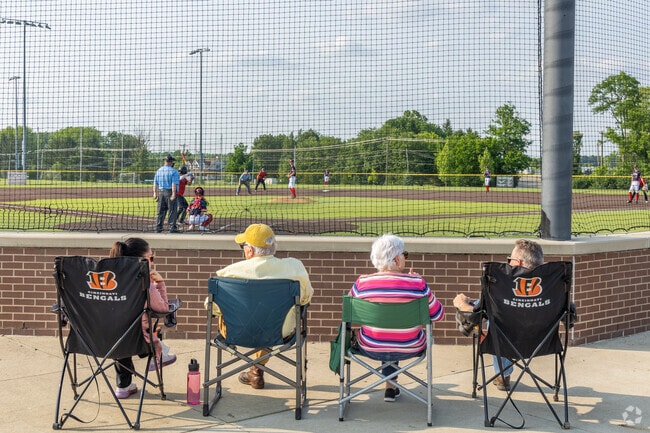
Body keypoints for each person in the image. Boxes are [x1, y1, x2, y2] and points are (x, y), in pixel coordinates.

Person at [208, 223, 313, 389]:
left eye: (243, 246)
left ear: (249, 250)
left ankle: (255, 370)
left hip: (235, 332)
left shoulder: (228, 273)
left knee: (251, 318)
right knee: (270, 317)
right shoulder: (294, 268)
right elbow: (306, 298)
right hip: (280, 332)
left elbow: (211, 307)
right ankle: (256, 370)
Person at [350, 234, 444, 402]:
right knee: (398, 332)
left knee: (385, 329)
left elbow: (349, 314)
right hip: (410, 346)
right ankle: (391, 385)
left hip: (370, 346)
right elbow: (438, 314)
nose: (405, 259)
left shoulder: (362, 283)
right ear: (397, 259)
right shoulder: (417, 283)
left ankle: (390, 386)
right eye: (404, 255)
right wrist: (415, 283)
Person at [453, 239, 544, 391]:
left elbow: (478, 314)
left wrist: (462, 304)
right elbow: (569, 316)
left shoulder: (503, 285)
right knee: (494, 313)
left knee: (491, 318)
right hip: (541, 342)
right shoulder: (554, 285)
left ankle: (503, 374)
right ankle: (474, 327)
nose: (508, 264)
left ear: (519, 263)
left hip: (507, 338)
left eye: (510, 260)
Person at [109, 237, 177, 398]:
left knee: (119, 330)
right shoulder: (144, 283)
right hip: (137, 341)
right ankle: (156, 353)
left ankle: (123, 386)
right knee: (134, 332)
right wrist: (160, 283)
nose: (152, 262)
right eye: (150, 258)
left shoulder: (102, 281)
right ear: (141, 261)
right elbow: (163, 308)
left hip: (95, 341)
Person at [153, 154, 181, 233]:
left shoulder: (159, 170)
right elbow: (174, 184)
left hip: (161, 192)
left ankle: (158, 228)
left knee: (160, 211)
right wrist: (173, 194)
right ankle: (172, 228)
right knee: (172, 211)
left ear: (165, 161)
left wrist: (155, 193)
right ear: (171, 162)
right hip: (169, 192)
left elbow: (155, 183)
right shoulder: (174, 171)